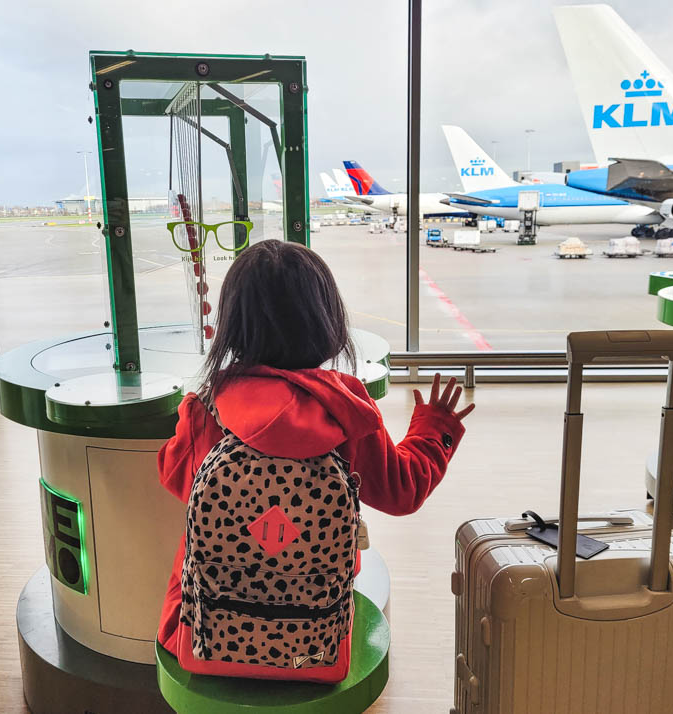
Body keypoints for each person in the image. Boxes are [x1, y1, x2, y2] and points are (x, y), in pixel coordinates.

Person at [156, 239, 474, 667]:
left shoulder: (207, 406)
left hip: (204, 626)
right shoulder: (349, 410)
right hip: (316, 630)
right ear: (326, 321)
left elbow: (178, 481)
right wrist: (434, 428)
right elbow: (403, 492)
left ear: (233, 325)